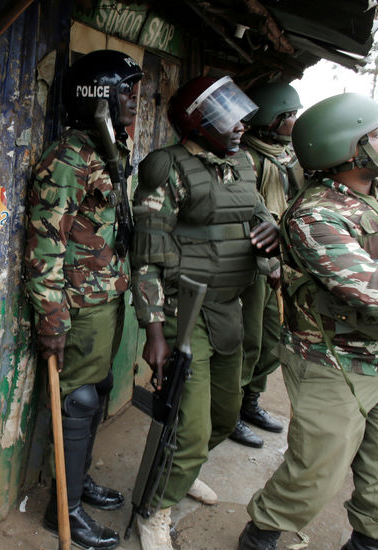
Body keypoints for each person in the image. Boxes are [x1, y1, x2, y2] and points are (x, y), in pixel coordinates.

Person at [238, 93, 378, 550]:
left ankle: (370, 540)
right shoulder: (314, 215)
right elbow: (371, 289)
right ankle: (262, 533)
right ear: (349, 150)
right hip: (332, 363)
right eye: (376, 135)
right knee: (316, 469)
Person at [130, 75, 279, 550]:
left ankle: (184, 469)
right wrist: (154, 331)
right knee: (189, 429)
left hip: (227, 312)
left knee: (223, 415)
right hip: (181, 315)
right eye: (225, 115)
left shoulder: (242, 166)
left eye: (238, 112)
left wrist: (273, 239)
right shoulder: (166, 168)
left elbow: (258, 221)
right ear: (197, 123)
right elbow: (147, 256)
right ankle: (154, 510)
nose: (239, 124)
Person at [24, 49, 143, 550]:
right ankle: (62, 509)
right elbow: (44, 245)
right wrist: (50, 316)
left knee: (96, 393)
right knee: (78, 400)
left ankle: (77, 483)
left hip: (107, 299)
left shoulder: (107, 150)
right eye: (126, 92)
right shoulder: (68, 157)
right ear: (98, 96)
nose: (136, 102)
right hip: (76, 305)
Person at [229, 82, 304, 448]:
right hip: (254, 263)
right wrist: (268, 263)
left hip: (281, 259)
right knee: (250, 340)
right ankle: (229, 414)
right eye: (288, 115)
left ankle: (250, 403)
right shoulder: (249, 158)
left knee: (274, 341)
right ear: (271, 120)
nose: (294, 122)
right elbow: (247, 213)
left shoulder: (287, 157)